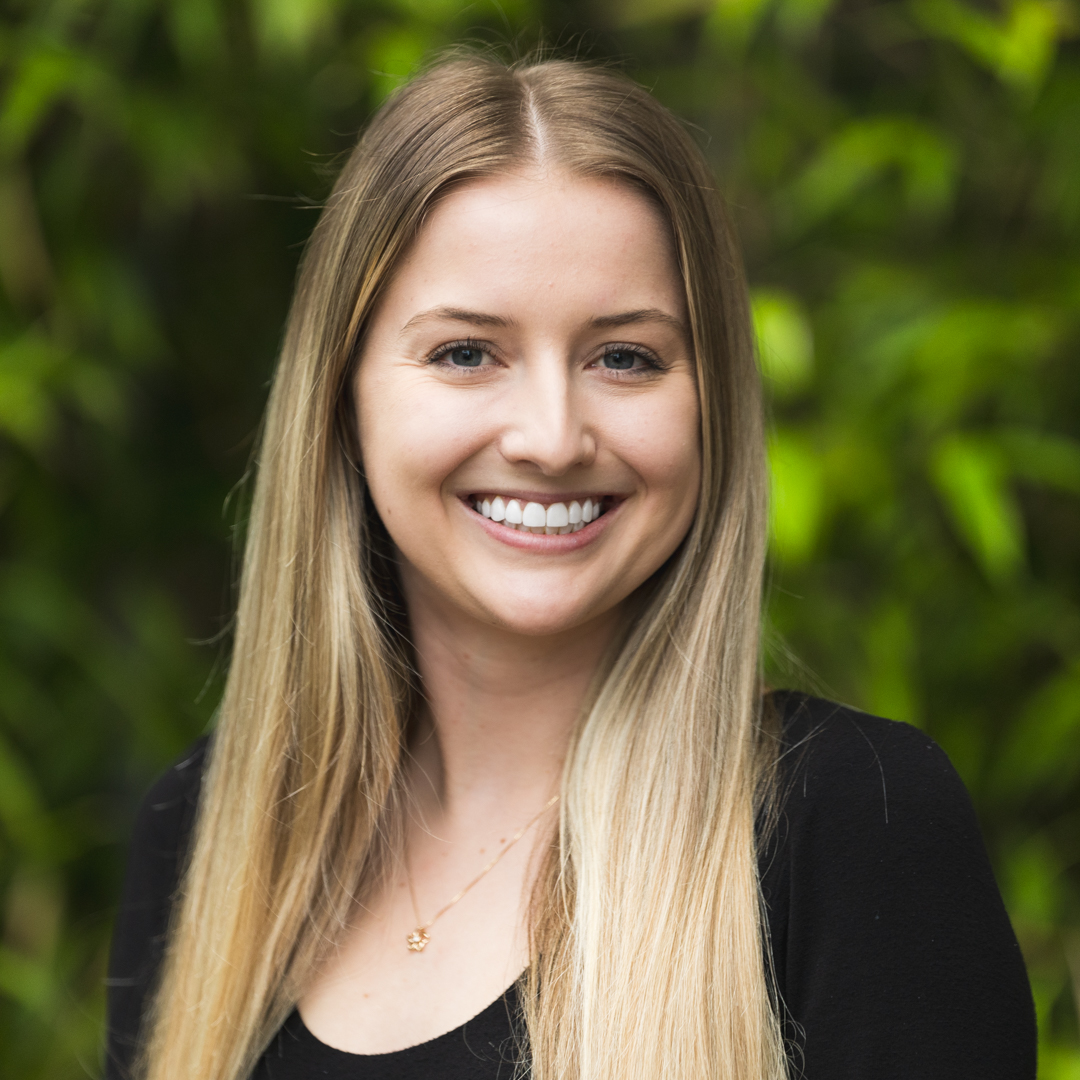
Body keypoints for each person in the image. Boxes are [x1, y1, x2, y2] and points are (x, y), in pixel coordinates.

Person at [104, 55, 1036, 1080]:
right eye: (466, 352)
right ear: (344, 397)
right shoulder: (210, 834)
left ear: (711, 405)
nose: (551, 437)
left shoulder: (852, 826)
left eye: (625, 357)